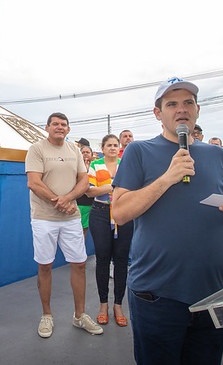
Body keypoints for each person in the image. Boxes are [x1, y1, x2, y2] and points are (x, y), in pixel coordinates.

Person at [111, 77, 223, 365]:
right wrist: (167, 178)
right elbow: (120, 213)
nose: (181, 109)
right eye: (171, 104)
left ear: (197, 110)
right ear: (158, 113)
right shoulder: (139, 151)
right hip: (157, 294)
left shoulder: (218, 156)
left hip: (213, 291)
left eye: (188, 103)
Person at [26, 113, 102, 339]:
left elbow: (84, 180)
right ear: (47, 127)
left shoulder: (75, 150)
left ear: (68, 129)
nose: (59, 127)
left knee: (79, 264)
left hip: (71, 218)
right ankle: (47, 315)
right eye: (55, 124)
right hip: (43, 218)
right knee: (45, 266)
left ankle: (79, 315)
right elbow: (34, 182)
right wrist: (61, 202)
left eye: (63, 125)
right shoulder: (36, 149)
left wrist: (68, 199)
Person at [87, 134, 133, 328]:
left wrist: (107, 188)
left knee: (122, 260)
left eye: (115, 145)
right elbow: (90, 190)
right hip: (100, 214)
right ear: (103, 147)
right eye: (109, 145)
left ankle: (118, 305)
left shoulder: (127, 163)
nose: (113, 148)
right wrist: (112, 187)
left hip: (123, 214)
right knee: (103, 259)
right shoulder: (96, 165)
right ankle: (103, 305)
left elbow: (134, 188)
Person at [77, 143, 95, 239]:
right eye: (83, 152)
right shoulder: (75, 167)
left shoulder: (95, 167)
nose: (85, 154)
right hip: (77, 203)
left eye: (87, 152)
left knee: (85, 230)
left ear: (92, 155)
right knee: (76, 231)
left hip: (90, 204)